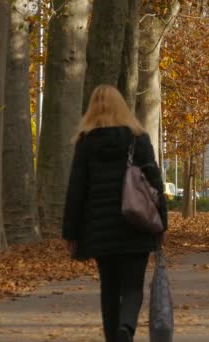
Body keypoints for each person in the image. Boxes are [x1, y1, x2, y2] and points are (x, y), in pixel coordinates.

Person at [62, 85, 167, 342]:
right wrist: (162, 222)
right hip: (137, 223)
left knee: (109, 287)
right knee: (133, 285)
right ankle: (127, 327)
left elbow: (76, 190)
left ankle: (114, 336)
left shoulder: (86, 143)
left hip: (100, 229)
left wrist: (71, 232)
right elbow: (155, 184)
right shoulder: (139, 139)